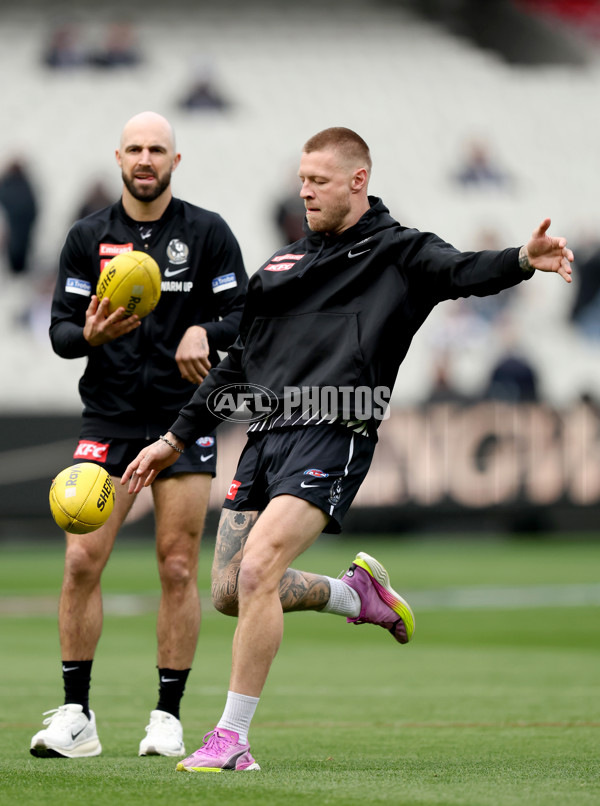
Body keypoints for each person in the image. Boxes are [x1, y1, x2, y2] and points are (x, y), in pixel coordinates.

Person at [122, 127, 573, 773]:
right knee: (228, 590)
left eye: (320, 181)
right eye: (302, 180)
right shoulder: (279, 268)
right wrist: (174, 437)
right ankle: (353, 595)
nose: (305, 191)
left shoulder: (400, 252)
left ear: (358, 181)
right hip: (264, 441)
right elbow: (238, 366)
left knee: (257, 573)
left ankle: (231, 739)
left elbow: (463, 271)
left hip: (336, 431)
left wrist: (523, 260)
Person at [30, 111, 248, 760]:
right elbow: (62, 334)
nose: (146, 158)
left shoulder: (207, 233)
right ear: (118, 158)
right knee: (79, 560)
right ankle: (77, 716)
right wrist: (91, 336)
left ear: (175, 161)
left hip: (184, 420)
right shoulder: (87, 237)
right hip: (109, 420)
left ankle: (167, 716)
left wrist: (205, 332)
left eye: (158, 148)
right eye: (135, 148)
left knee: (178, 566)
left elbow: (245, 314)